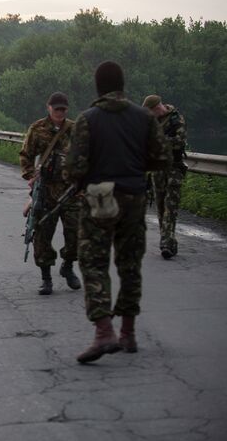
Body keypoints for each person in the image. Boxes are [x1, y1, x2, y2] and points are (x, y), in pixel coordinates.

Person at [64, 61, 169, 364]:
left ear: (98, 87)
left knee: (94, 262)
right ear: (123, 85)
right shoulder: (144, 118)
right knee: (130, 264)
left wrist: (89, 176)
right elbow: (162, 158)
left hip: (100, 198)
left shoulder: (87, 120)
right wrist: (134, 168)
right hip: (135, 196)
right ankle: (128, 333)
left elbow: (74, 168)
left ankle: (103, 331)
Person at [19, 92, 82, 295]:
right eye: (57, 109)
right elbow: (25, 156)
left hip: (71, 191)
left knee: (76, 235)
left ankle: (68, 267)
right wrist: (31, 176)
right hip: (46, 192)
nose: (60, 113)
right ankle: (46, 279)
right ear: (49, 108)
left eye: (63, 109)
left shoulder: (74, 129)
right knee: (42, 238)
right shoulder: (37, 129)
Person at [142, 95, 188, 259]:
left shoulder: (176, 118)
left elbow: (180, 141)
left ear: (156, 108)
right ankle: (168, 240)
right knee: (160, 206)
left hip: (174, 167)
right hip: (157, 169)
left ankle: (166, 243)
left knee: (171, 206)